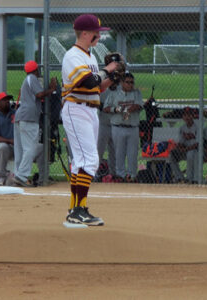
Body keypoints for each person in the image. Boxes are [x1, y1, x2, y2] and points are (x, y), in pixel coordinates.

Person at [61, 14, 119, 226]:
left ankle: (77, 209)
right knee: (90, 160)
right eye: (96, 33)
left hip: (90, 109)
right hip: (76, 109)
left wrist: (112, 78)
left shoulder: (90, 57)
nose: (99, 37)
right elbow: (86, 82)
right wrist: (108, 70)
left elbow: (96, 87)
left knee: (80, 163)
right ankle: (78, 210)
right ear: (85, 33)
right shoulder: (72, 56)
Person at [13, 60, 57, 187]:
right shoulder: (31, 77)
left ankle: (19, 175)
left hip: (23, 116)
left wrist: (48, 89)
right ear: (36, 70)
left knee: (23, 149)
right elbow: (39, 94)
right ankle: (21, 176)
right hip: (28, 117)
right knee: (30, 148)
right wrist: (52, 89)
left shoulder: (28, 79)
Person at [104, 71, 144, 182]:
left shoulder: (136, 93)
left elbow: (139, 105)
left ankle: (132, 176)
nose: (130, 85)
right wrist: (116, 109)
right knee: (119, 153)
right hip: (118, 127)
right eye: (128, 82)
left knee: (132, 154)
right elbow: (106, 108)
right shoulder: (114, 93)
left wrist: (128, 109)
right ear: (121, 82)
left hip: (133, 127)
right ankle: (120, 175)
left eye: (132, 82)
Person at [169, 107, 198, 184]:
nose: (187, 117)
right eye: (185, 115)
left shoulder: (197, 127)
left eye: (189, 115)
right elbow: (180, 142)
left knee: (190, 154)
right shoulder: (182, 128)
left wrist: (185, 149)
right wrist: (179, 148)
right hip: (185, 150)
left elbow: (197, 144)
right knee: (171, 155)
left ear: (193, 116)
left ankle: (189, 178)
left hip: (195, 151)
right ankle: (179, 177)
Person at [96, 82, 118, 181]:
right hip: (103, 124)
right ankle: (93, 174)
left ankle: (114, 175)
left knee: (114, 152)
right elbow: (97, 103)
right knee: (98, 151)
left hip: (116, 124)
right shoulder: (103, 88)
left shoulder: (121, 88)